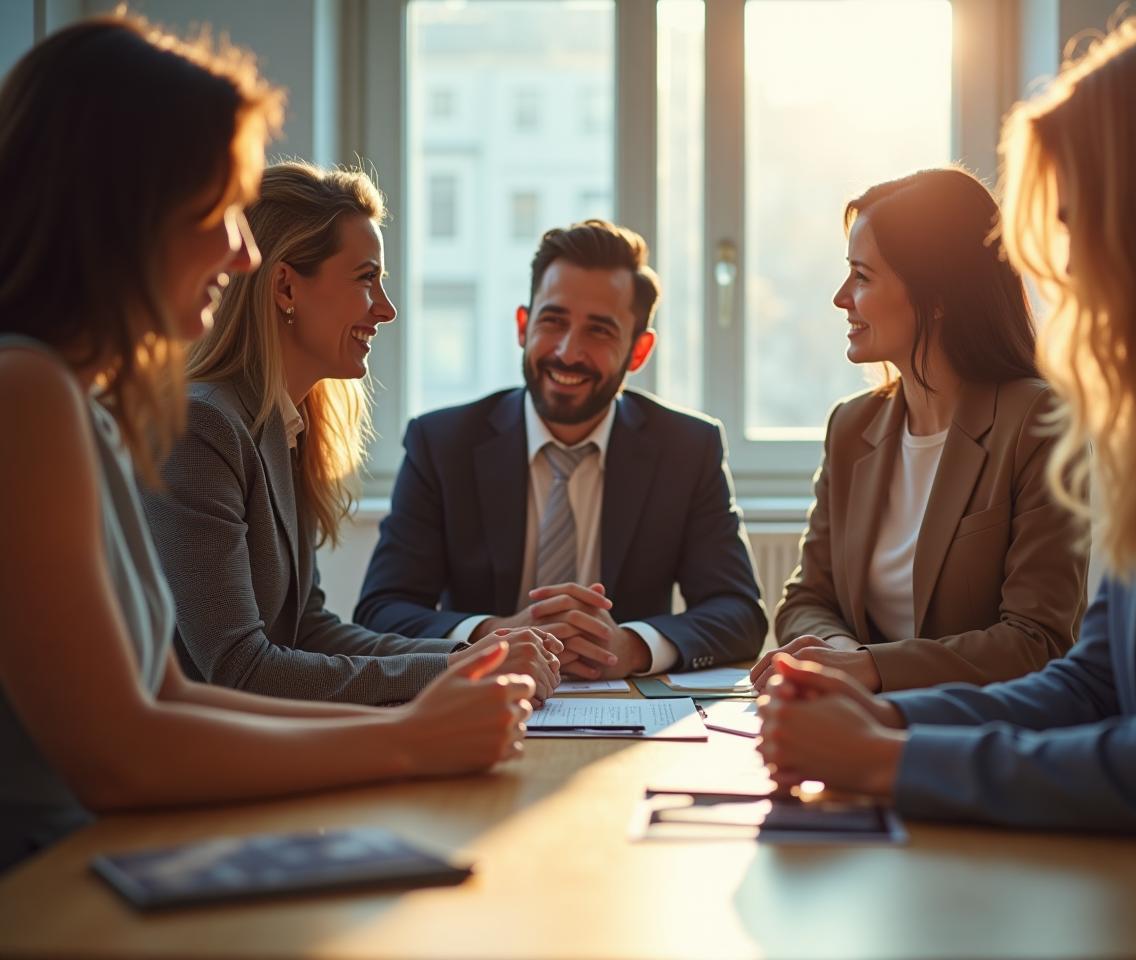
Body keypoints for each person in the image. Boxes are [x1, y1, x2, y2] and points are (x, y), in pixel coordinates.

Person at [756, 11, 1136, 890]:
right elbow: (1092, 684)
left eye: (1078, 222)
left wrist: (884, 760)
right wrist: (886, 719)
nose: (1067, 266)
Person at [0, 15, 532, 873]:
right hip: (44, 875)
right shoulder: (25, 393)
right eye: (219, 210)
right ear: (124, 211)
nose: (242, 253)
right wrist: (407, 741)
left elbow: (167, 693)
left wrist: (424, 715)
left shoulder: (81, 406)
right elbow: (120, 754)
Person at [142, 161, 561, 705]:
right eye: (367, 279)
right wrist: (456, 675)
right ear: (286, 286)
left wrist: (475, 657)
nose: (386, 310)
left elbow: (309, 628)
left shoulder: (282, 423)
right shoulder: (202, 428)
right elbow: (240, 668)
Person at [355, 219, 767, 679]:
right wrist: (493, 636)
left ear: (638, 351)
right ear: (522, 326)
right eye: (553, 321)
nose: (568, 353)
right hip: (480, 697)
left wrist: (630, 646)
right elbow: (381, 609)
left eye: (600, 331)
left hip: (628, 709)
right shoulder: (442, 443)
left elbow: (739, 612)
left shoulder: (688, 449)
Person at [752, 168, 1087, 694]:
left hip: (976, 737)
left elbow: (1036, 641)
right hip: (853, 721)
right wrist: (841, 658)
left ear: (936, 297)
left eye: (862, 277)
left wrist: (870, 668)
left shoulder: (1037, 422)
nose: (842, 297)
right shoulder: (851, 425)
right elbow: (805, 600)